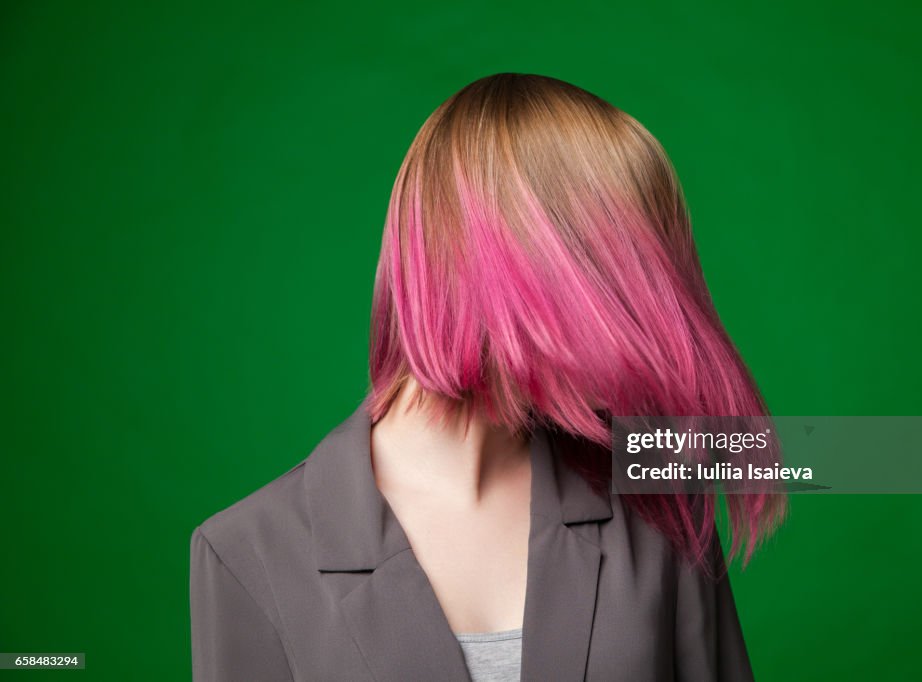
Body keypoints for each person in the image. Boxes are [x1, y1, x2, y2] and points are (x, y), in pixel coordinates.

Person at [189, 73, 785, 681]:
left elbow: (834, 456)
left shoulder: (659, 488)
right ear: (501, 271)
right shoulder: (247, 551)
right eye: (615, 290)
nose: (645, 332)